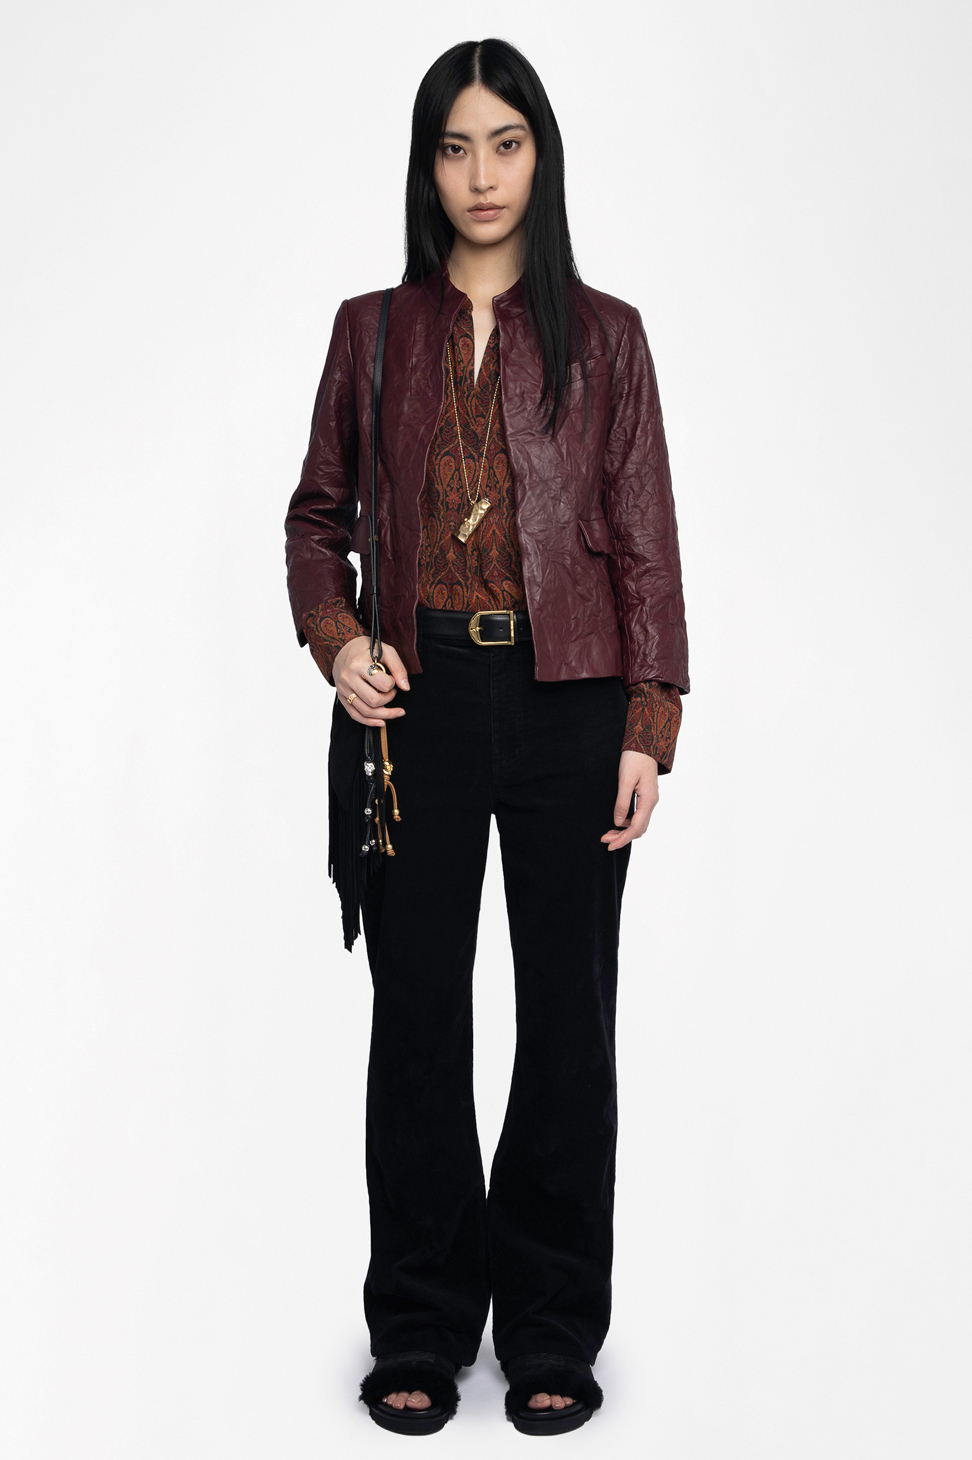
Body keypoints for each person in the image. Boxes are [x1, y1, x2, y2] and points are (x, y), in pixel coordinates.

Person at [284, 38, 689, 1437]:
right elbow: (316, 521)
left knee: (569, 1022)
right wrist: (341, 644)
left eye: (505, 143)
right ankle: (419, 1319)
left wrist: (649, 721)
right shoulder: (371, 333)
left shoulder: (608, 337)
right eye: (455, 147)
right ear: (426, 165)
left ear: (541, 156)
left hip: (574, 700)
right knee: (419, 1020)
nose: (481, 175)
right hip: (419, 705)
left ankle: (554, 1324)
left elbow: (645, 539)